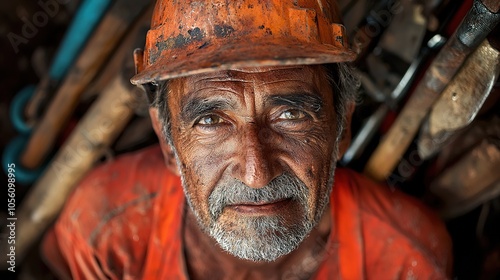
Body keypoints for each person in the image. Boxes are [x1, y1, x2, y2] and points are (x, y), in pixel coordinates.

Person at [41, 0, 452, 279]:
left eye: (291, 115)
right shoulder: (105, 229)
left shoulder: (404, 260)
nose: (257, 175)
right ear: (168, 143)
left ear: (341, 129)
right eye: (211, 121)